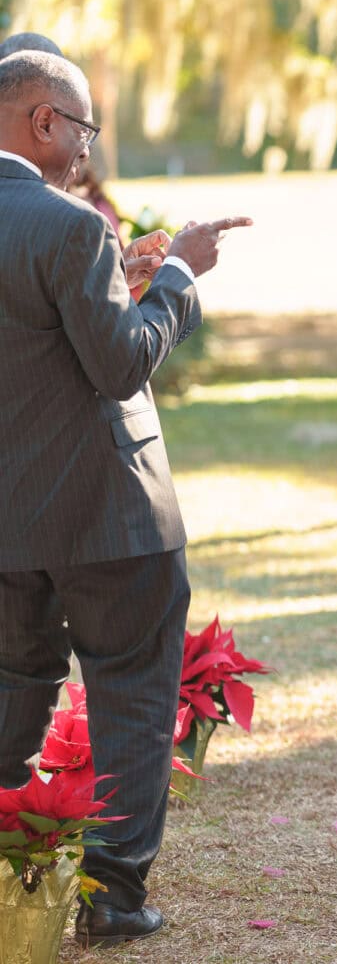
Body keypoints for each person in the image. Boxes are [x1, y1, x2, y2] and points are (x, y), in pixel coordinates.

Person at [0, 49, 250, 948]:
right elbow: (119, 363)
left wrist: (122, 281)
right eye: (83, 129)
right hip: (109, 513)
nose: (84, 150)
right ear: (43, 121)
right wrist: (177, 279)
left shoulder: (74, 237)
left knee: (11, 685)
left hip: (6, 518)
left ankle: (7, 873)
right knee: (134, 692)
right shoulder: (68, 227)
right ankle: (112, 895)